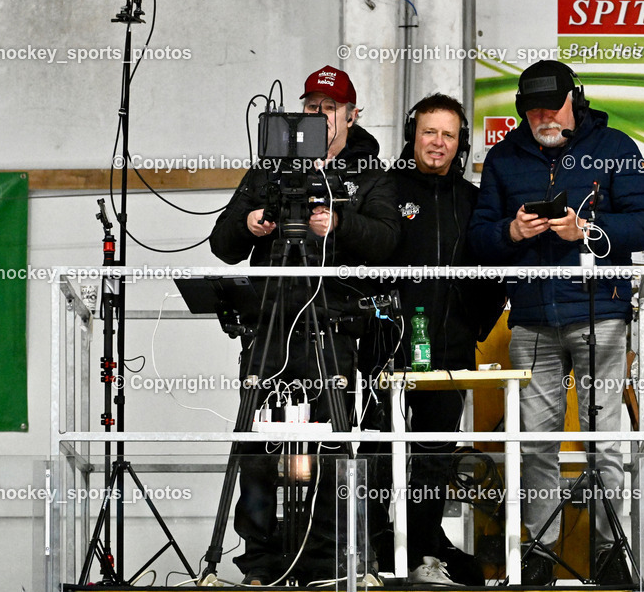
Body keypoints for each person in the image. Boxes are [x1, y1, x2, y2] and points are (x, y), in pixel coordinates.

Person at [468, 60, 644, 585]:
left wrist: (588, 230)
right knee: (536, 443)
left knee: (606, 442)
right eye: (532, 110)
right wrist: (511, 231)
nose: (542, 118)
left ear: (575, 100)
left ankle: (607, 552)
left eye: (551, 108)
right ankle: (540, 554)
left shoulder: (616, 147)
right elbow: (479, 239)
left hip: (602, 314)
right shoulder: (504, 158)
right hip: (530, 320)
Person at [210, 65, 400, 585]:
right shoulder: (269, 170)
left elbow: (387, 243)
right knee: (257, 444)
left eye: (330, 107)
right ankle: (260, 563)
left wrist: (339, 220)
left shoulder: (369, 174)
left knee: (333, 445)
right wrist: (249, 224)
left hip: (333, 328)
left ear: (352, 114)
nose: (320, 115)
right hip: (269, 326)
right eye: (311, 106)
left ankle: (324, 563)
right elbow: (222, 245)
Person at [359, 94, 504, 585]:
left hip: (449, 354)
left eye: (448, 134)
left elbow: (494, 271)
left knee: (434, 456)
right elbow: (364, 262)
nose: (437, 143)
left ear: (460, 143)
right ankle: (374, 552)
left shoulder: (472, 199)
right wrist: (377, 328)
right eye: (428, 132)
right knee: (381, 453)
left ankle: (423, 552)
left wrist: (472, 328)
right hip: (388, 351)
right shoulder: (384, 189)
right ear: (411, 135)